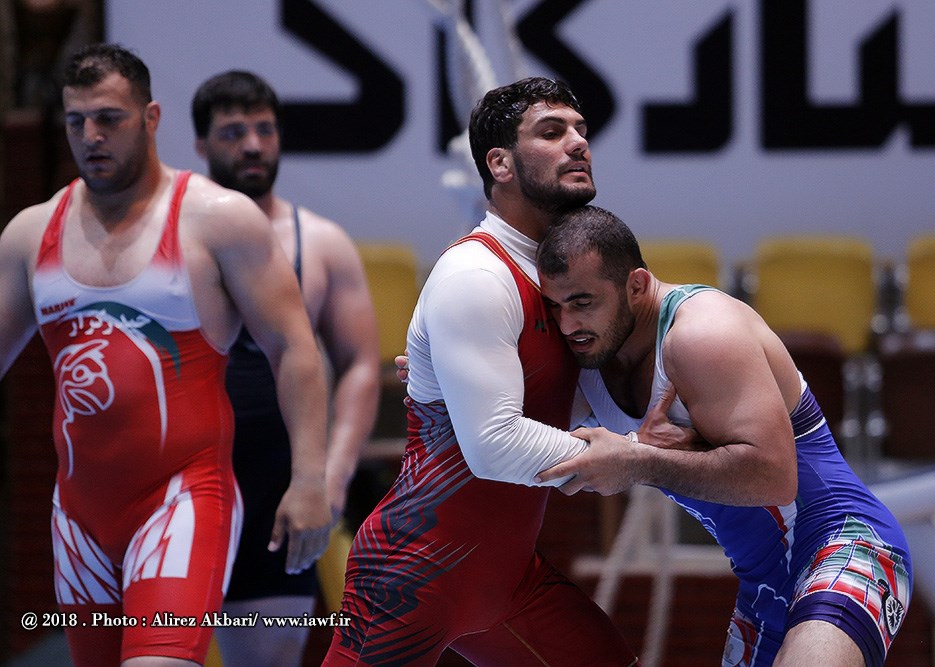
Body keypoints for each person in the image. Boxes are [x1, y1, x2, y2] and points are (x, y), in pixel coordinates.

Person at [0, 43, 333, 666]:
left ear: (150, 118)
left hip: (183, 500)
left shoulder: (217, 220)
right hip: (78, 518)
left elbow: (294, 348)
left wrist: (311, 478)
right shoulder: (29, 233)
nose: (91, 137)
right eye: (76, 121)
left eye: (109, 118)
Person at [324, 77, 638, 666]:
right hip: (411, 574)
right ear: (499, 163)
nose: (578, 143)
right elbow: (493, 445)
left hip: (508, 581)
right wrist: (630, 459)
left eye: (580, 130)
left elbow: (580, 402)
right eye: (552, 131)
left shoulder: (559, 281)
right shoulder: (476, 276)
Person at [534, 205, 913, 667]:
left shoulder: (702, 334)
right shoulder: (590, 349)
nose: (568, 324)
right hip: (764, 588)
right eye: (555, 306)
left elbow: (775, 479)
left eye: (582, 303)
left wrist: (638, 461)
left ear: (636, 285)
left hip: (844, 544)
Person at [190, 70, 381, 666]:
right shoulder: (171, 240)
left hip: (276, 488)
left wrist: (331, 476)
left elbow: (359, 366)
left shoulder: (321, 242)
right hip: (181, 482)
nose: (252, 145)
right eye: (233, 132)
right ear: (200, 144)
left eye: (265, 130)